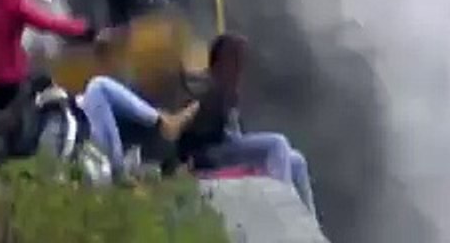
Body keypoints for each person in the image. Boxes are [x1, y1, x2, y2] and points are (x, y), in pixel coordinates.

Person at [177, 33, 317, 214]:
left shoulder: (229, 87)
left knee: (297, 161)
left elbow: (236, 133)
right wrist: (222, 100)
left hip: (228, 145)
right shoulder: (208, 85)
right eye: (236, 60)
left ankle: (309, 220)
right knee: (277, 143)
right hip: (208, 153)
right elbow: (199, 128)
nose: (241, 67)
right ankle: (280, 203)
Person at [76, 75, 200, 184]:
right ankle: (161, 121)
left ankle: (161, 122)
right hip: (97, 155)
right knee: (98, 87)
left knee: (99, 91)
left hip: (91, 130)